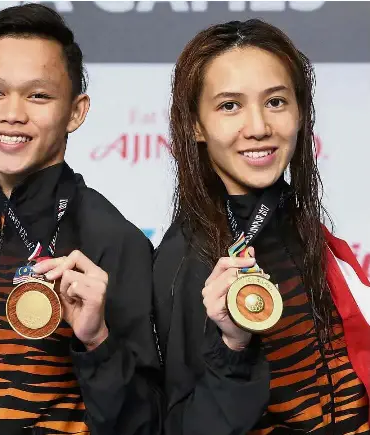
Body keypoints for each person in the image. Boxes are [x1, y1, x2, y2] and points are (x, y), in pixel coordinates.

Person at [0, 4, 161, 435]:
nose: (12, 113)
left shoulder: (115, 241)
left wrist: (96, 341)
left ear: (76, 110)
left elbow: (147, 426)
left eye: (38, 95)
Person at [153, 19, 370, 434]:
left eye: (275, 102)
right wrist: (233, 347)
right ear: (195, 125)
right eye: (229, 106)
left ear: (300, 112)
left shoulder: (303, 226)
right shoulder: (184, 261)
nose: (258, 128)